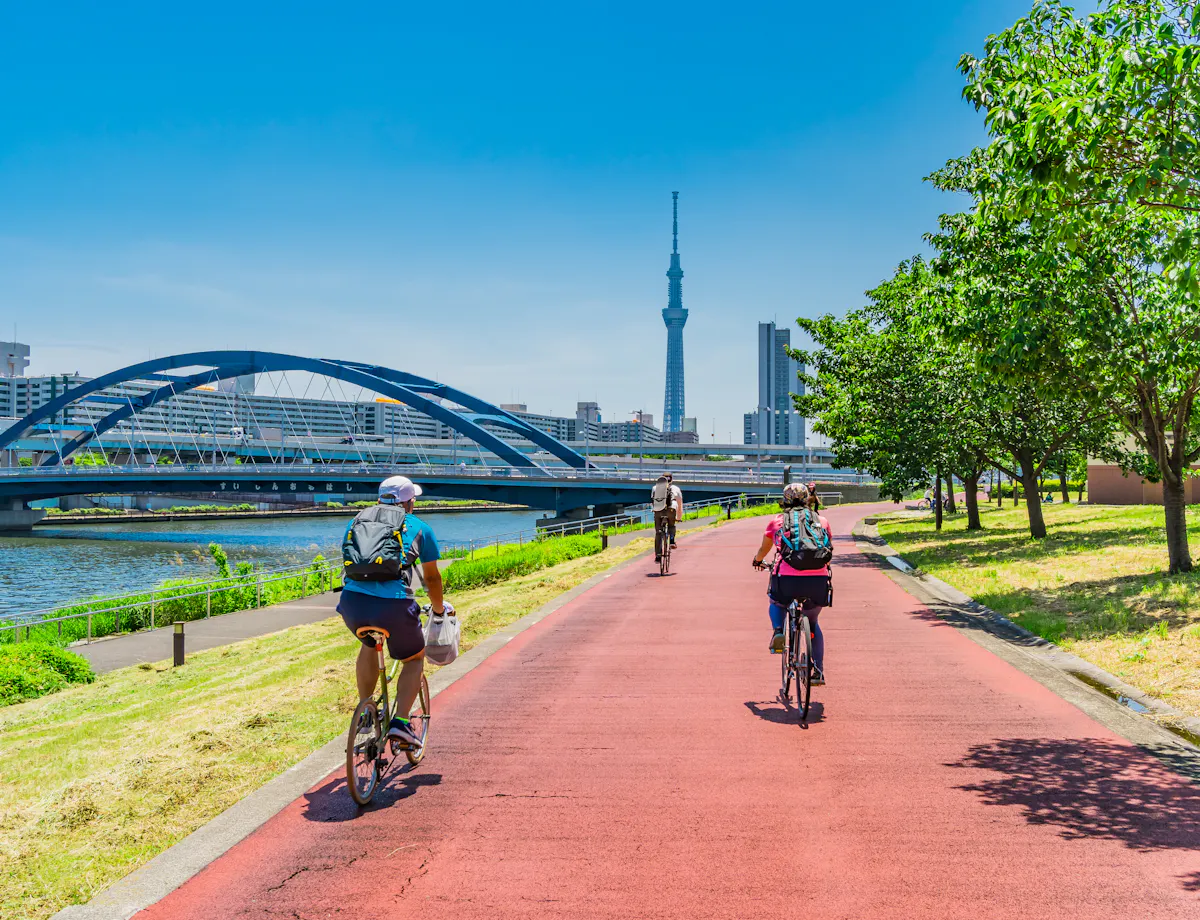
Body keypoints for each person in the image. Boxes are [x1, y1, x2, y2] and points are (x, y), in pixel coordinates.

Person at [337, 475, 451, 748]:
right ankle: (400, 723)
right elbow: (432, 578)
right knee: (414, 657)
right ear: (410, 502)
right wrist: (437, 610)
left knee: (369, 642)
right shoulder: (419, 527)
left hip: (352, 603)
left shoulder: (356, 521)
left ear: (379, 499)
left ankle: (366, 710)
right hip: (394, 604)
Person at [751, 482, 832, 685]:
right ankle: (818, 671)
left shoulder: (777, 522)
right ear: (807, 499)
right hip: (817, 580)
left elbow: (764, 550)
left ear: (784, 500)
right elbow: (827, 554)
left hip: (787, 579)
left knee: (777, 602)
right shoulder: (821, 521)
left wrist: (758, 561)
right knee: (813, 622)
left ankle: (778, 631)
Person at [650, 472, 684, 562]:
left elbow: (652, 500)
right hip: (671, 509)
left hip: (658, 510)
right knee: (671, 526)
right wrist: (679, 517)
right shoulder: (675, 488)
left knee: (658, 532)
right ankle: (672, 540)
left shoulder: (655, 487)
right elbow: (680, 504)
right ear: (671, 480)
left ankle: (658, 555)